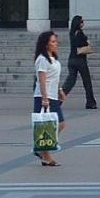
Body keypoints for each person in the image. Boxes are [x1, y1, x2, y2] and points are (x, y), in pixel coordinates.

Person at [33, 30, 65, 167]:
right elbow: (42, 81)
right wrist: (45, 99)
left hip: (53, 95)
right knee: (49, 126)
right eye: (52, 41)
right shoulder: (42, 59)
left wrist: (60, 90)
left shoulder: (53, 58)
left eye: (55, 41)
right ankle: (45, 155)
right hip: (44, 96)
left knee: (58, 124)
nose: (55, 43)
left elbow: (54, 78)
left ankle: (41, 149)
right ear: (46, 44)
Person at [62, 15, 97, 109]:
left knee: (70, 82)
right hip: (80, 60)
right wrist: (86, 42)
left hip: (71, 59)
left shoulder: (72, 32)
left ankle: (58, 100)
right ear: (78, 23)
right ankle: (90, 102)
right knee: (87, 82)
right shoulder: (80, 33)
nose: (83, 23)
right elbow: (79, 44)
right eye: (82, 21)